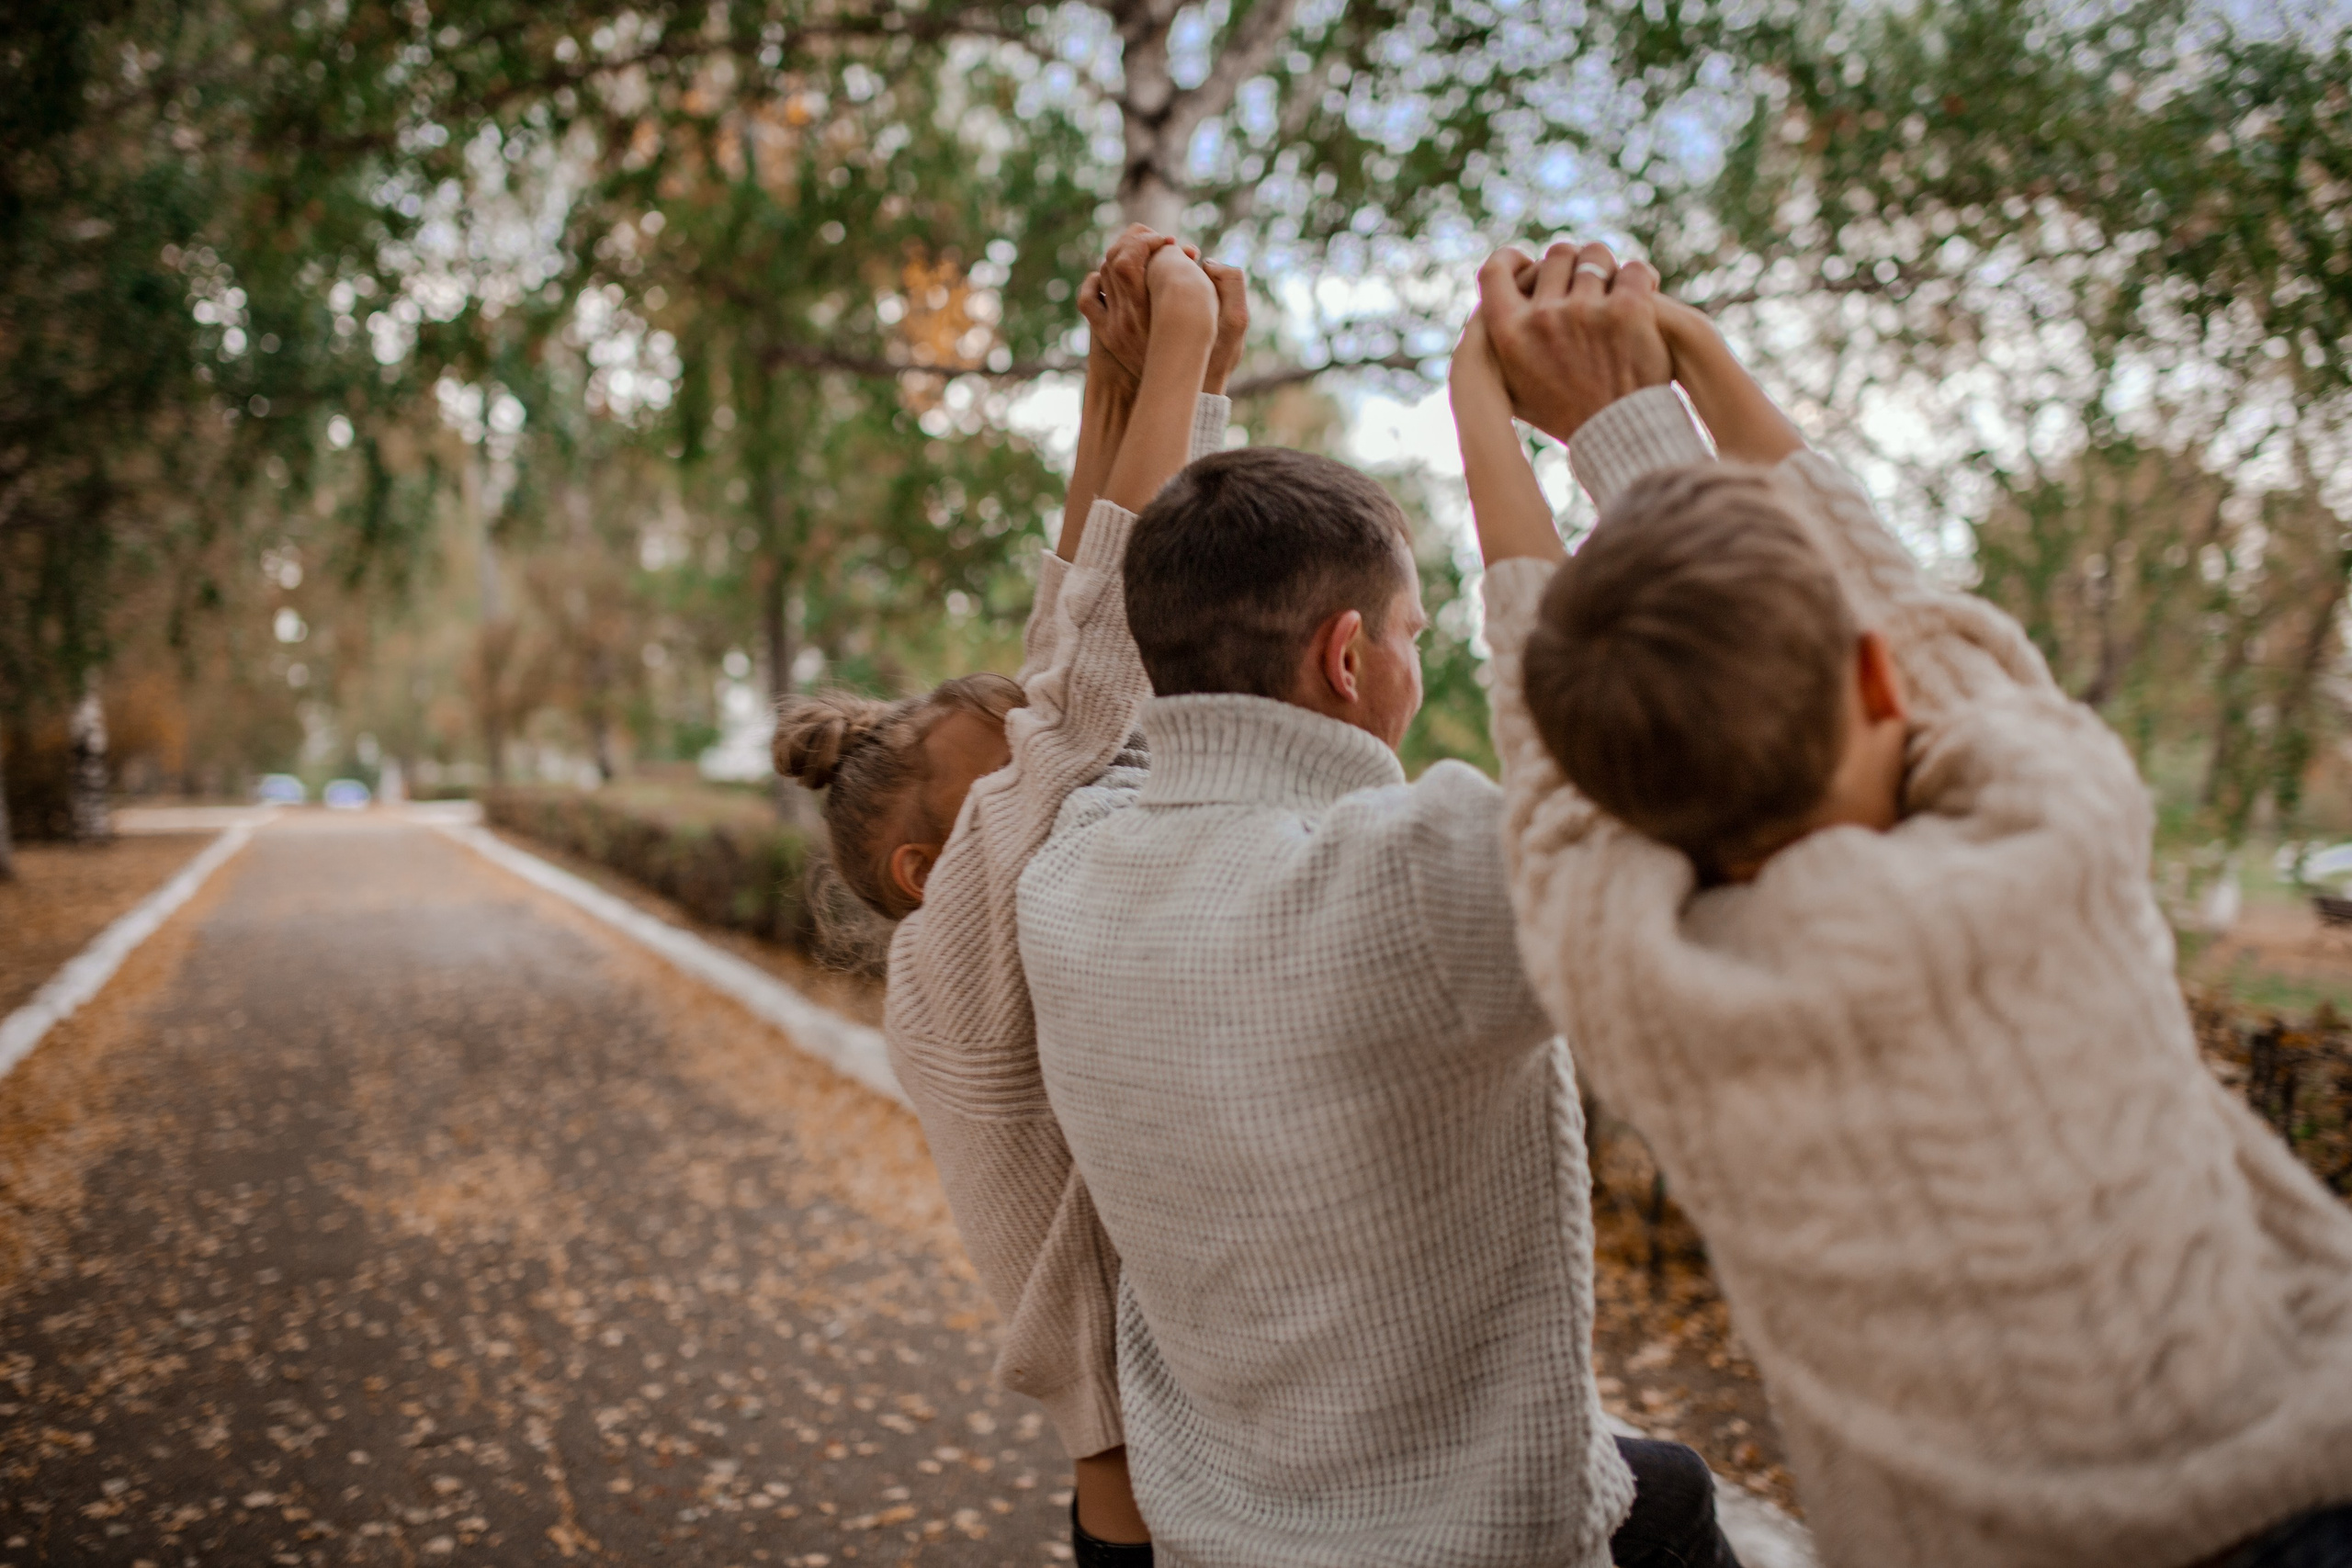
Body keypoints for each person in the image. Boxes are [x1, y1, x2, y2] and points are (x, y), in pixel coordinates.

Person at [1453, 238, 2352, 1568]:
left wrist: (1479, 401)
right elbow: (1924, 621)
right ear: (1881, 685)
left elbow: (1553, 769)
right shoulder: (2055, 836)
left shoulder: (1631, 970)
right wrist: (1670, 367)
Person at [1014, 364, 1739, 1560]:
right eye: (1413, 634)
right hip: (1470, 1545)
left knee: (1671, 1490)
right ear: (1346, 659)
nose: (1416, 663)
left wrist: (1183, 381)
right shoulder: (1412, 884)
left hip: (1213, 1531)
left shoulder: (1069, 870)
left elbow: (1092, 669)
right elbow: (1661, 764)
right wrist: (1540, 426)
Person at [773, 227, 1243, 1566]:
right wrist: (1191, 354)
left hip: (1174, 1499)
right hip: (1162, 1528)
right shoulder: (953, 968)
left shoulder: (984, 931)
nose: (1061, 777)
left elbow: (1068, 644)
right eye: (1023, 776)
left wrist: (1122, 386)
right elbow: (1095, 674)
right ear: (926, 869)